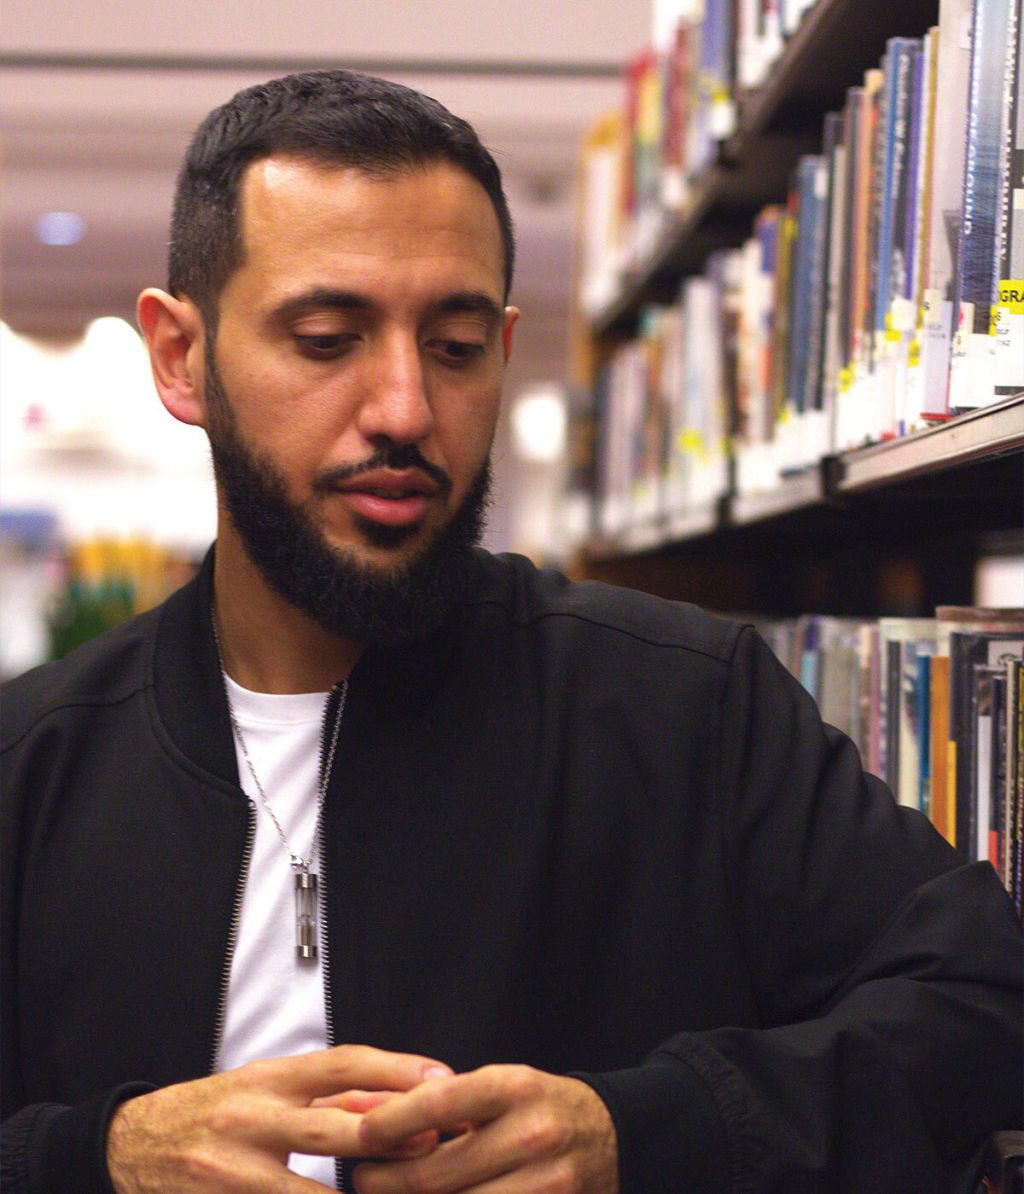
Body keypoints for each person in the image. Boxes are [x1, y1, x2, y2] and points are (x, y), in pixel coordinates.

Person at [1, 69, 1020, 1194]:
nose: (403, 409)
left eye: (454, 345)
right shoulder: (32, 764)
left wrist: (645, 1136)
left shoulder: (687, 707)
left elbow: (983, 1002)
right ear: (181, 358)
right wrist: (93, 1157)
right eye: (329, 337)